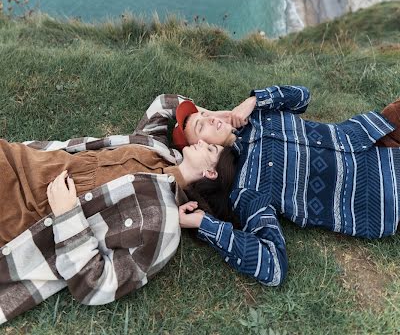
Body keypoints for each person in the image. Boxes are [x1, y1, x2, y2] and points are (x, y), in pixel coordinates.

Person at [0, 94, 229, 325]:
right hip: (19, 158)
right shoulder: (158, 147)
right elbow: (164, 104)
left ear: (211, 173)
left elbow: (99, 285)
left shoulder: (165, 221)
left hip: (21, 214)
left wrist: (67, 215)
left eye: (210, 149)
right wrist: (222, 115)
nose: (200, 142)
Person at [174, 86, 400, 287]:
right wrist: (204, 223)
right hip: (383, 186)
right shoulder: (246, 189)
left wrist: (253, 101)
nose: (210, 119)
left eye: (205, 114)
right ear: (202, 146)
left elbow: (302, 97)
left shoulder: (257, 115)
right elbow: (273, 266)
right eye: (201, 127)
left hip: (375, 131)